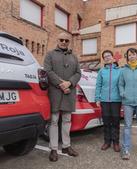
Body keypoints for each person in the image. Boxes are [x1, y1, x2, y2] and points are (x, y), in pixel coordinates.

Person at [44, 32, 81, 162]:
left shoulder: (74, 57)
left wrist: (69, 83)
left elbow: (78, 73)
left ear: (69, 42)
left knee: (67, 120)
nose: (64, 42)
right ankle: (53, 148)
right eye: (62, 39)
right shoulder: (50, 54)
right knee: (53, 120)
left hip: (69, 92)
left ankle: (66, 146)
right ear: (57, 39)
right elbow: (48, 71)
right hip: (55, 92)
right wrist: (61, 84)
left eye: (66, 40)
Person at [95, 50, 122, 152]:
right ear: (104, 59)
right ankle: (107, 141)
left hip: (116, 100)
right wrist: (97, 98)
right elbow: (98, 85)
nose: (107, 57)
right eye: (105, 56)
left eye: (109, 55)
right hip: (105, 101)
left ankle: (116, 142)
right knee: (106, 122)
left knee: (115, 122)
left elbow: (122, 85)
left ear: (113, 57)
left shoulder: (120, 70)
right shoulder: (102, 71)